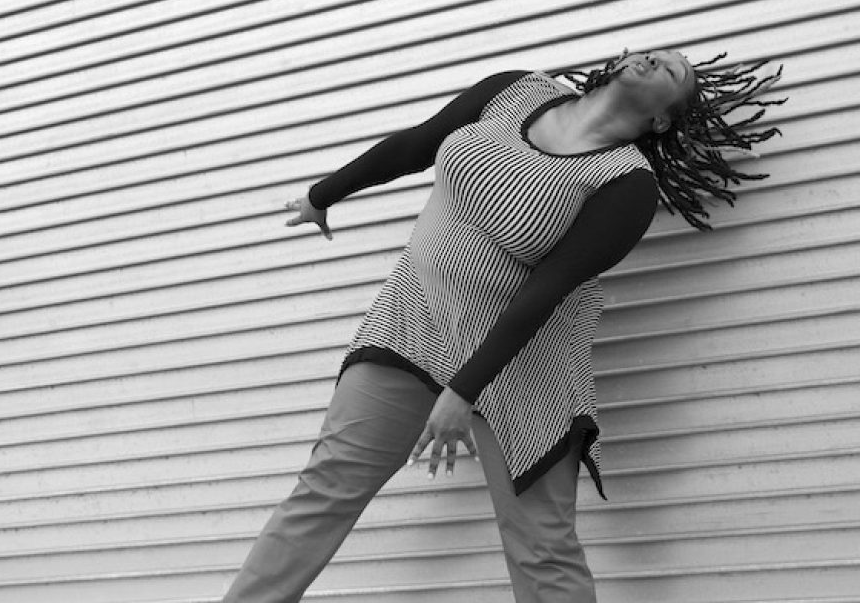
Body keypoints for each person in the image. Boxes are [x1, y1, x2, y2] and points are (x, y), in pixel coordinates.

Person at [221, 48, 783, 603]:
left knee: (541, 545)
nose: (656, 61)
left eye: (673, 70)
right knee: (326, 486)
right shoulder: (516, 90)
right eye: (653, 53)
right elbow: (419, 144)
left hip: (525, 369)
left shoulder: (626, 185)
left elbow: (548, 289)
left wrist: (463, 390)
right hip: (414, 320)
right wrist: (325, 195)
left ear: (662, 119)